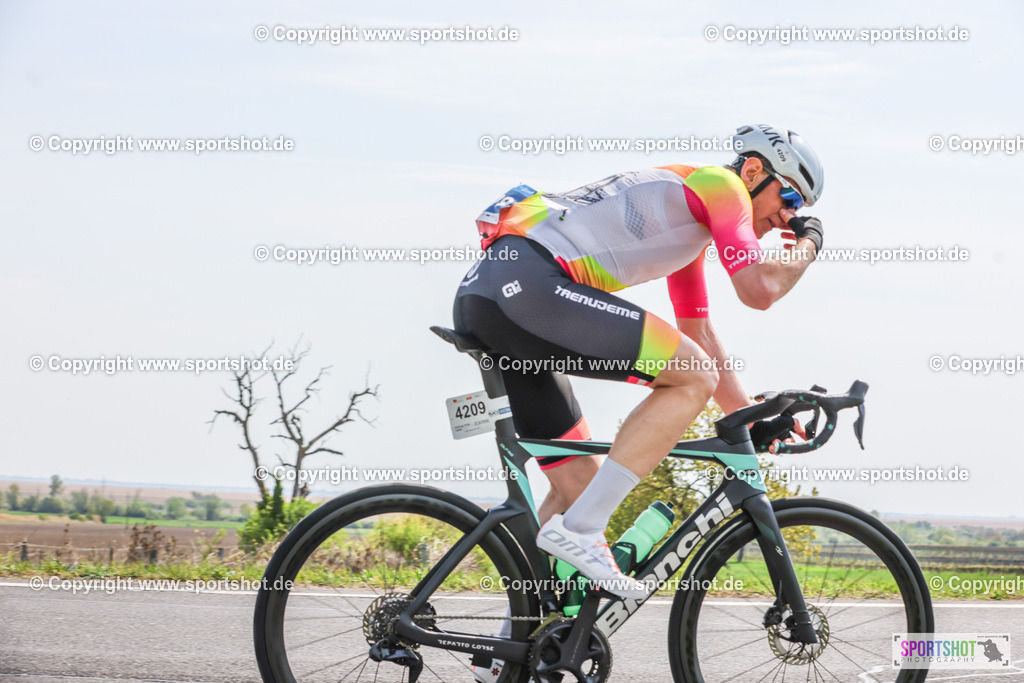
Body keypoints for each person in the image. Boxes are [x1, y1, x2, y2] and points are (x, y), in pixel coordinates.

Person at [453, 124, 824, 602]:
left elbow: (699, 335)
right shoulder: (722, 186)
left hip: (499, 296)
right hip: (526, 289)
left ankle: (516, 642)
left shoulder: (693, 221)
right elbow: (759, 290)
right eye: (790, 198)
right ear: (752, 170)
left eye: (802, 212)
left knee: (577, 492)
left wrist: (746, 415)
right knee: (689, 381)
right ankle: (585, 528)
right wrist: (809, 244)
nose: (789, 217)